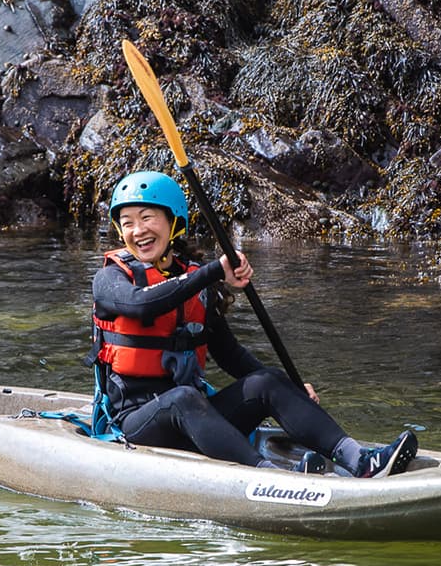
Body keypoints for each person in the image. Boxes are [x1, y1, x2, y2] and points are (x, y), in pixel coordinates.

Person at [87, 170, 417, 477]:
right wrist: (214, 271)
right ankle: (269, 476)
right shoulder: (110, 278)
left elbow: (229, 354)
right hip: (134, 424)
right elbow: (142, 305)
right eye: (127, 222)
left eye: (147, 218)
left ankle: (358, 459)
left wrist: (291, 391)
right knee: (184, 397)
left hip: (198, 420)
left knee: (267, 381)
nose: (137, 230)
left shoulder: (194, 282)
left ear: (174, 223)